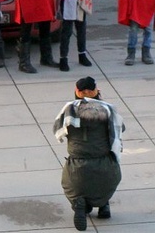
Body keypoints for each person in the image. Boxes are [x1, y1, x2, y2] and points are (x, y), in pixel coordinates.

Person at [53, 76, 124, 231]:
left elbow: (57, 131)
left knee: (71, 184)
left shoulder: (69, 110)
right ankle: (103, 205)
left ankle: (80, 203)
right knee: (110, 179)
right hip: (103, 162)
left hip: (77, 163)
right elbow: (120, 129)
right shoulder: (108, 110)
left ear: (76, 92)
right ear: (96, 91)